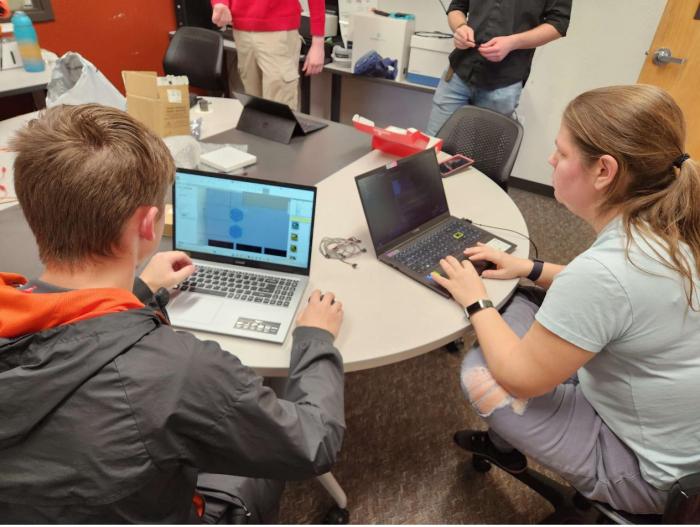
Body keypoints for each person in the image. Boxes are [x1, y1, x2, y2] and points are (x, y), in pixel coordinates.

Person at [0, 104, 345, 523]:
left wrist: (141, 291)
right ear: (149, 226)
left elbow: (69, 341)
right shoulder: (182, 370)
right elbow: (315, 443)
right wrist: (314, 339)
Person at [432, 85, 700, 514]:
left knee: (480, 367)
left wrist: (476, 300)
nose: (551, 161)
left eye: (562, 153)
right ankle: (509, 440)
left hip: (646, 474)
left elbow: (521, 377)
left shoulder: (609, 271)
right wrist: (530, 269)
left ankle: (514, 446)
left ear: (604, 171)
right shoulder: (672, 227)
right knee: (521, 301)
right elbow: (621, 296)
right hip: (682, 442)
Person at [425, 0, 571, 137]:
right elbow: (457, 7)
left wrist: (513, 42)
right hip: (459, 72)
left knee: (480, 159)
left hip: (503, 82)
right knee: (434, 147)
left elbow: (558, 23)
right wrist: (460, 27)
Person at [211, 0, 326, 110]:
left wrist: (318, 42)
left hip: (278, 31)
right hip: (242, 29)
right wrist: (220, 3)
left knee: (279, 110)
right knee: (254, 109)